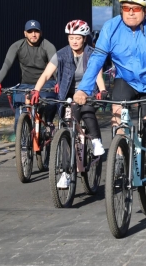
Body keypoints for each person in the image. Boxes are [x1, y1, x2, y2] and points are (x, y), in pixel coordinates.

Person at [73, 0, 146, 192]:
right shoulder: (111, 28)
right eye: (126, 7)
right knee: (118, 116)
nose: (130, 12)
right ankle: (119, 158)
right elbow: (97, 59)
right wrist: (84, 89)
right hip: (125, 80)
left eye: (136, 8)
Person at [32, 20, 106, 187]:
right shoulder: (61, 54)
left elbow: (98, 76)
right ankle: (65, 172)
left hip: (87, 94)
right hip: (68, 96)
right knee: (66, 129)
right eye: (71, 37)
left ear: (84, 39)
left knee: (87, 111)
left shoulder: (92, 54)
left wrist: (102, 90)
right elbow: (45, 75)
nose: (74, 41)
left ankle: (95, 141)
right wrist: (36, 91)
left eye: (78, 38)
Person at [0, 20, 57, 131]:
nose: (33, 34)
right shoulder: (17, 46)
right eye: (30, 31)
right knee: (20, 111)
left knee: (50, 103)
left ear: (40, 33)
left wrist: (59, 81)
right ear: (25, 33)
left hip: (46, 84)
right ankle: (22, 142)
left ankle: (48, 124)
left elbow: (55, 67)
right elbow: (7, 65)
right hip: (26, 84)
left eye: (36, 31)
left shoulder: (48, 46)